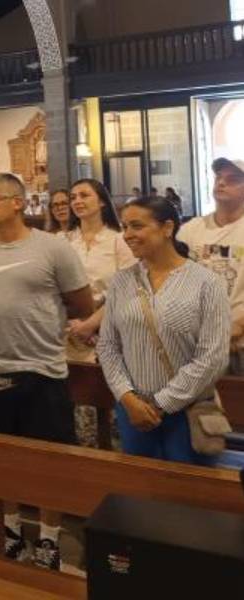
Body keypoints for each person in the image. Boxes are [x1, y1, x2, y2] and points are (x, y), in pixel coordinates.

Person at [0, 173, 93, 570]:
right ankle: (12, 530)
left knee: (48, 462)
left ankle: (49, 539)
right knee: (1, 460)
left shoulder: (51, 248)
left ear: (18, 203)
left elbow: (81, 302)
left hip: (43, 368)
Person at [97, 196, 230, 465]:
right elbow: (108, 345)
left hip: (186, 412)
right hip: (133, 411)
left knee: (189, 497)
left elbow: (212, 358)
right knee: (142, 495)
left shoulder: (206, 283)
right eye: (124, 227)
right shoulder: (123, 281)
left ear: (167, 228)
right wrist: (128, 398)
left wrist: (160, 404)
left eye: (137, 226)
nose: (127, 235)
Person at [64, 179, 136, 447]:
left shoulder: (118, 240)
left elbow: (128, 289)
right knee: (79, 403)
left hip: (110, 330)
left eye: (84, 195)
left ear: (102, 201)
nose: (77, 201)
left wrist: (92, 323)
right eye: (73, 197)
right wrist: (73, 322)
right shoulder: (66, 241)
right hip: (70, 333)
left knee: (108, 408)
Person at [177, 158, 244, 375]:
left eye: (232, 179)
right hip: (197, 343)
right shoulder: (192, 229)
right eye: (218, 177)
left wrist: (238, 327)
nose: (221, 183)